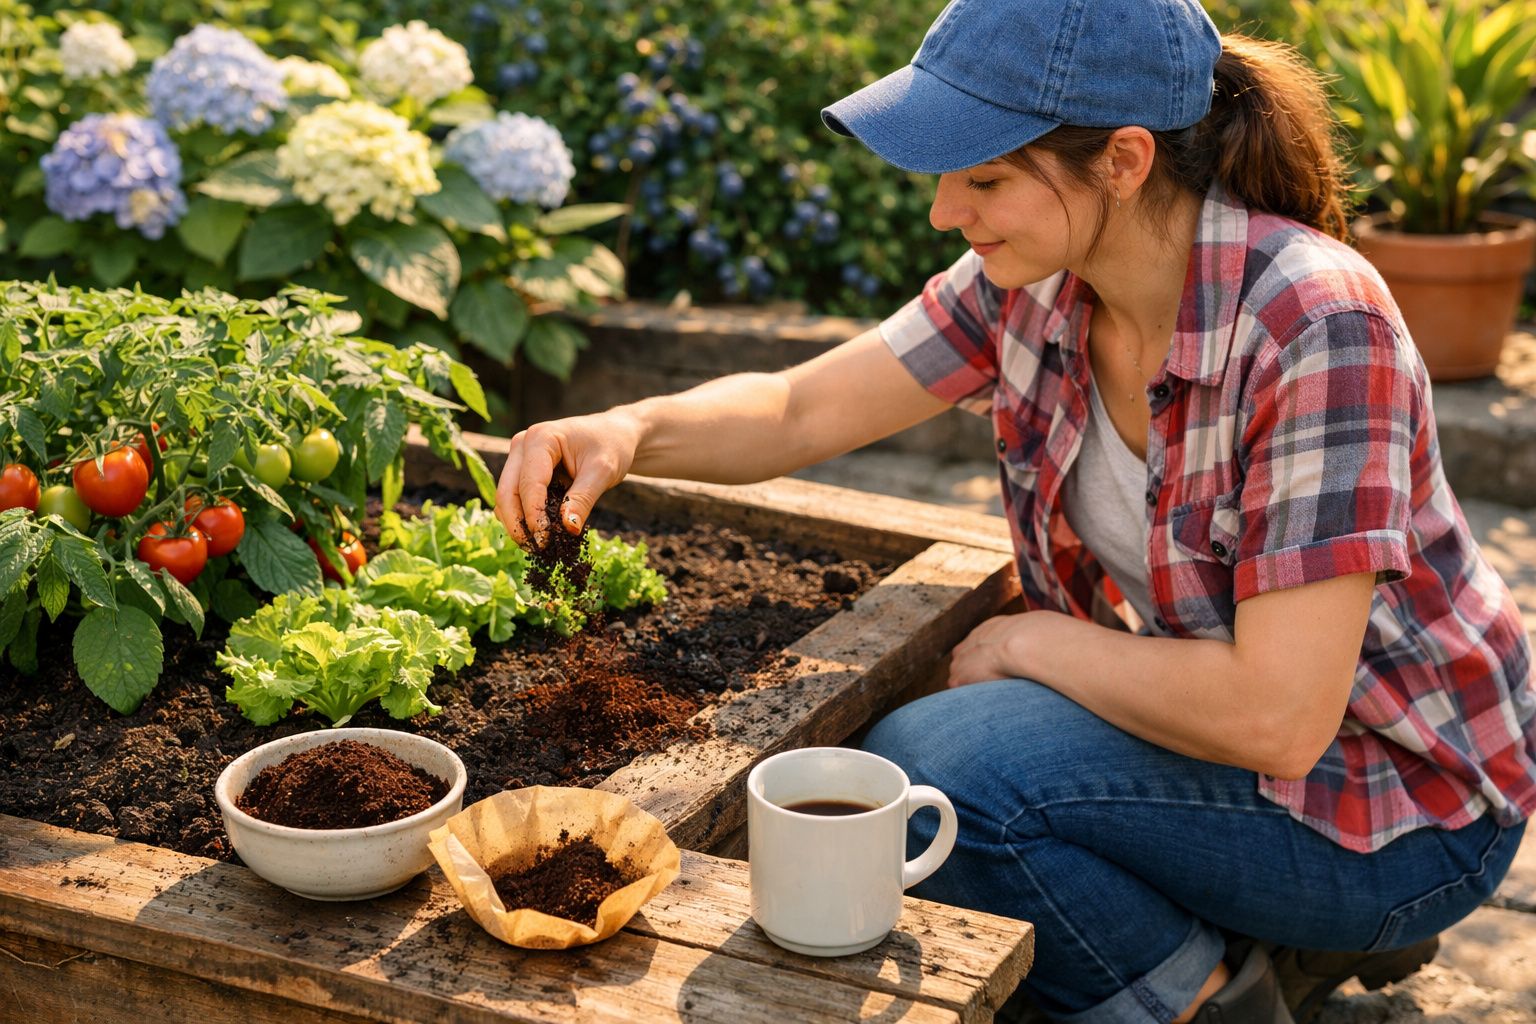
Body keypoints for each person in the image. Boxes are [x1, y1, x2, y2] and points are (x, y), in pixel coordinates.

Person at [494, 0, 1536, 1020]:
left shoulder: (1317, 327)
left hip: (1403, 796)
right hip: (1256, 743)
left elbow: (1279, 714)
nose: (948, 209)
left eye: (986, 176)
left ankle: (1213, 996)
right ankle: (1257, 937)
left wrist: (1030, 645)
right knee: (964, 757)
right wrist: (627, 431)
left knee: (939, 773)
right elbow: (801, 405)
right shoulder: (1037, 279)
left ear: (1125, 161)